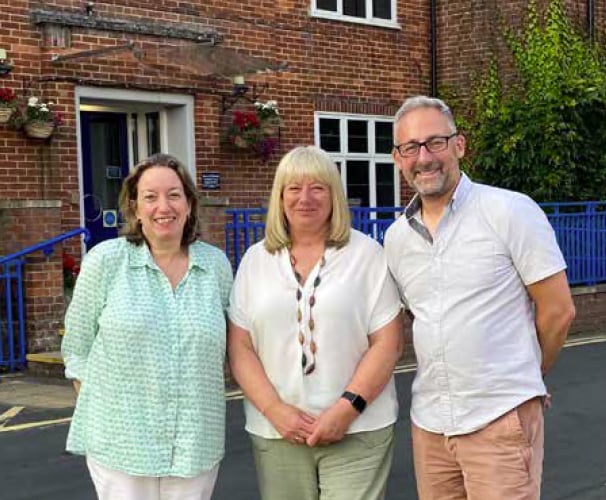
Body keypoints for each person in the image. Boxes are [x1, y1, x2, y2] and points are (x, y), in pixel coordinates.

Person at [384, 96, 576, 500]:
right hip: (431, 426)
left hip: (499, 420)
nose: (424, 157)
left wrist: (527, 376)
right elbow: (418, 319)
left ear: (460, 145)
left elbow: (558, 310)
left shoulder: (510, 211)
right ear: (397, 158)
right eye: (411, 147)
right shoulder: (396, 238)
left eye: (435, 142)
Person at [228, 145, 403, 500]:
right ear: (279, 197)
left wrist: (345, 409)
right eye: (293, 188)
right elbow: (241, 347)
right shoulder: (254, 261)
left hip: (358, 427)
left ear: (334, 195)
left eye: (318, 187)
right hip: (276, 432)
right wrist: (276, 412)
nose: (305, 198)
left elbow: (388, 342)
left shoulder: (367, 254)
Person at [62, 153, 233, 500]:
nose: (162, 207)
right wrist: (105, 410)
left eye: (173, 194)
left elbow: (233, 345)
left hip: (194, 443)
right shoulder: (106, 261)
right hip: (121, 445)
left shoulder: (216, 265)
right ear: (135, 208)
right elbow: (77, 347)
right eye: (150, 197)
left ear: (189, 204)